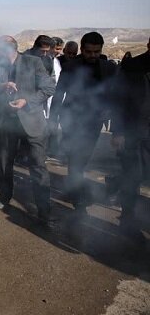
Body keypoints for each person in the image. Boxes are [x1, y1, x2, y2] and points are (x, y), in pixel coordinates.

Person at [0, 36, 56, 224]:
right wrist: (2, 86)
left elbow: (49, 88)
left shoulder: (33, 62)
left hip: (32, 121)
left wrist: (26, 101)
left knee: (38, 165)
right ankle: (5, 196)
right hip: (6, 122)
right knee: (5, 163)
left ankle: (43, 208)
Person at [49, 32, 118, 212]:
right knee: (76, 158)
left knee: (83, 157)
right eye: (89, 52)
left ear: (101, 50)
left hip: (94, 122)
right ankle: (77, 197)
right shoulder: (71, 67)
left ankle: (74, 186)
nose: (93, 55)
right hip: (72, 119)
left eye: (96, 51)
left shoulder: (109, 68)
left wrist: (109, 110)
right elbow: (59, 93)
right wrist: (53, 120)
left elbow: (115, 94)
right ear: (82, 49)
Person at [110, 37, 150, 239]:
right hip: (133, 132)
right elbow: (118, 101)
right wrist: (117, 132)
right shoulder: (131, 67)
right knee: (132, 178)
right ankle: (127, 222)